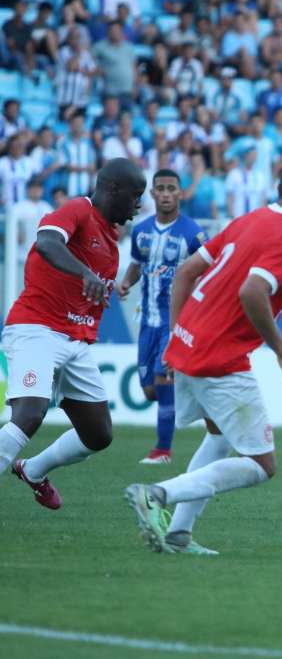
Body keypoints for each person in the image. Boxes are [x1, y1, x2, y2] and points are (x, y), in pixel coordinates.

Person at [125, 153, 282, 556]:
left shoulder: (249, 219)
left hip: (188, 344)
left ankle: (179, 534)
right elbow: (252, 291)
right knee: (261, 465)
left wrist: (175, 336)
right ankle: (157, 494)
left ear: (278, 183)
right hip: (219, 357)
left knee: (218, 436)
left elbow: (185, 272)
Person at [0, 159, 146, 508]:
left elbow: (87, 297)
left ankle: (32, 470)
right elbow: (47, 242)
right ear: (112, 189)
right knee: (30, 414)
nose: (138, 205)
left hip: (72, 340)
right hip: (36, 328)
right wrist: (86, 274)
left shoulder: (110, 243)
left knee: (98, 434)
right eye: (135, 195)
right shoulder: (78, 209)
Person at [116, 170, 205, 464]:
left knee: (163, 381)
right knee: (151, 390)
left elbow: (209, 272)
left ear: (180, 194)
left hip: (175, 321)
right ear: (152, 195)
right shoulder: (140, 231)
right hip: (147, 322)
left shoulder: (193, 234)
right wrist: (127, 282)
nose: (166, 194)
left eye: (171, 189)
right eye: (161, 189)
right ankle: (195, 394)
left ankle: (162, 451)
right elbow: (137, 265)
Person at [11, 178, 53, 261]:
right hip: (22, 255)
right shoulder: (18, 207)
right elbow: (11, 229)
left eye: (38, 188)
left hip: (43, 255)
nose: (36, 190)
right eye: (33, 188)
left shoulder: (47, 207)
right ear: (28, 190)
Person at [225, 147, 269, 219]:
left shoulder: (260, 176)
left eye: (255, 155)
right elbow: (229, 196)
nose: (253, 157)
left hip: (255, 219)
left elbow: (263, 199)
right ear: (245, 155)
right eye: (251, 155)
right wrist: (231, 215)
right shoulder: (233, 174)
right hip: (237, 217)